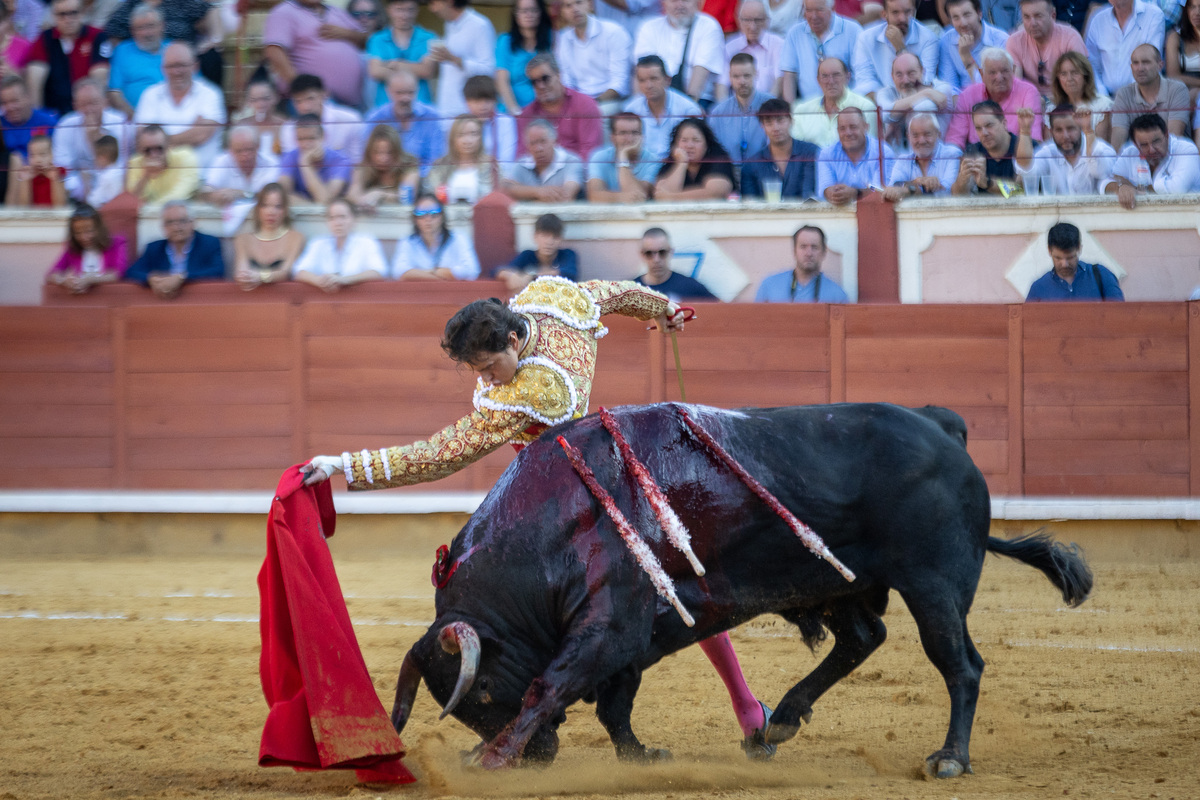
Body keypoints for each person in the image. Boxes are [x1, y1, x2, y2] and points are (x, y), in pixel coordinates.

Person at [132, 42, 226, 167]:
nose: (177, 71)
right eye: (171, 66)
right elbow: (142, 139)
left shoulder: (210, 94)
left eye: (182, 65)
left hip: (203, 177)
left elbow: (201, 134)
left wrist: (158, 142)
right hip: (159, 176)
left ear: (195, 66)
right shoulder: (150, 95)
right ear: (163, 69)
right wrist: (190, 133)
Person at [262, 0, 366, 110]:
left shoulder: (336, 11)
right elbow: (274, 52)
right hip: (311, 102)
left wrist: (347, 34)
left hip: (351, 103)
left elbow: (367, 39)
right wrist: (302, 89)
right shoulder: (284, 12)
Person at [105, 0, 221, 87]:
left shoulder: (181, 3)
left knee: (211, 57)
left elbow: (211, 10)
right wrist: (129, 53)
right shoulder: (131, 6)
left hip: (183, 57)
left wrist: (213, 40)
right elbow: (113, 28)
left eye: (150, 26)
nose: (146, 30)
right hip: (144, 56)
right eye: (141, 27)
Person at [53, 76, 133, 201]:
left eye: (94, 103)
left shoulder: (120, 123)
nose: (89, 110)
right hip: (78, 188)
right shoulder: (65, 125)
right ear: (75, 105)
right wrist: (83, 186)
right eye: (84, 104)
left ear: (105, 102)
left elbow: (119, 167)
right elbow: (63, 168)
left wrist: (94, 138)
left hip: (112, 185)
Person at [633, 0, 727, 105]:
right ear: (664, 3)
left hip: (696, 101)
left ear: (698, 3)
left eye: (685, 1)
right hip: (654, 102)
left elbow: (699, 78)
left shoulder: (708, 25)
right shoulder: (649, 27)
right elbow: (641, 71)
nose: (679, 5)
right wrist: (640, 108)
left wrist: (687, 111)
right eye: (674, 1)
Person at [945, 48, 1043, 148]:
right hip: (978, 159)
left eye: (1004, 71)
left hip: (1016, 157)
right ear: (982, 74)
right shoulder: (967, 96)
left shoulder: (1028, 92)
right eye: (992, 73)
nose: (999, 78)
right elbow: (955, 139)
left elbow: (1033, 139)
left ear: (1013, 70)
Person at [126, 201, 225, 299]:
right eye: (170, 222)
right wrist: (151, 279)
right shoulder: (154, 247)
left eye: (182, 221)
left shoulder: (209, 243)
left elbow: (218, 271)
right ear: (163, 227)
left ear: (193, 223)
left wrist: (182, 277)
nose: (176, 227)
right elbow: (132, 272)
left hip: (200, 301)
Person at [26, 0, 110, 117]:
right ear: (53, 16)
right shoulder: (44, 38)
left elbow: (100, 76)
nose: (68, 19)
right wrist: (39, 115)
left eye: (73, 13)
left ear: (83, 12)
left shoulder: (97, 36)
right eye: (62, 14)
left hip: (87, 110)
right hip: (54, 111)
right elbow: (35, 76)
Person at [517, 54, 604, 161]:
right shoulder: (527, 114)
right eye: (534, 82)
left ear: (558, 75)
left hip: (577, 173)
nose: (541, 86)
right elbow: (522, 155)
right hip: (540, 175)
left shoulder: (584, 105)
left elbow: (589, 152)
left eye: (545, 78)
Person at [1103, 112, 1200, 207]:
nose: (1152, 150)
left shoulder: (1186, 149)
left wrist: (1135, 188)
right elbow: (1104, 182)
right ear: (1135, 144)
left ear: (1167, 135)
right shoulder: (1130, 152)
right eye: (1144, 145)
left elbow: (1177, 189)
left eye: (1156, 141)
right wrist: (1121, 187)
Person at [1015, 103, 1116, 193]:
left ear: (1080, 128)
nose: (1065, 136)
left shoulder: (1104, 149)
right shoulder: (1048, 152)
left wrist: (1088, 131)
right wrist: (1024, 132)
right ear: (1051, 132)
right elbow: (1027, 171)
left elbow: (1100, 171)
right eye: (1059, 130)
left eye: (1070, 128)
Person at [293, 198, 388, 292]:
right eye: (332, 218)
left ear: (354, 219)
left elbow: (379, 272)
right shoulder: (318, 243)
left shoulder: (366, 242)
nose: (338, 223)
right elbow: (299, 271)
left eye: (343, 217)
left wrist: (345, 280)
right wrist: (319, 281)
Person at [1110, 44, 1191, 150]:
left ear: (1160, 65)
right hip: (1138, 156)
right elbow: (1118, 137)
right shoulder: (1123, 94)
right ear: (1131, 67)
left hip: (1173, 156)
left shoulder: (1177, 89)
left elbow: (1173, 137)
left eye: (1146, 62)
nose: (1140, 68)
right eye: (1135, 63)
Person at [851, 0, 939, 98]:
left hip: (916, 104)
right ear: (884, 14)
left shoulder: (928, 38)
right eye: (895, 12)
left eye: (907, 12)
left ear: (914, 12)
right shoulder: (866, 38)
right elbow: (865, 84)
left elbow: (925, 83)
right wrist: (890, 104)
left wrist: (901, 49)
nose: (902, 18)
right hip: (879, 104)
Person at [623, 55, 704, 161]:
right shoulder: (631, 109)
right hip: (642, 167)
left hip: (677, 166)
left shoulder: (688, 109)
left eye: (653, 79)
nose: (648, 85)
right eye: (642, 80)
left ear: (667, 80)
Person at [427, 0, 497, 122]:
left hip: (468, 112)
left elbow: (488, 70)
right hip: (446, 108)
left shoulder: (480, 25)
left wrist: (454, 59)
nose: (432, 9)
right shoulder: (449, 25)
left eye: (434, 3)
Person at [782, 0, 864, 103]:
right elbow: (789, 75)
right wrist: (790, 110)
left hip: (846, 106)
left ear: (832, 9)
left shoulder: (853, 30)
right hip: (808, 108)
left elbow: (862, 73)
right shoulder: (795, 33)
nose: (813, 16)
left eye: (819, 10)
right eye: (808, 10)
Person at [364, 70, 445, 173]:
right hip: (384, 179)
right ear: (388, 91)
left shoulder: (432, 117)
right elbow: (368, 158)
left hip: (424, 181)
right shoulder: (375, 119)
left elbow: (436, 159)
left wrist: (415, 177)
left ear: (417, 90)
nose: (405, 98)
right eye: (399, 93)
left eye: (410, 92)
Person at [554, 0, 633, 105]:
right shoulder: (563, 38)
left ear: (590, 4)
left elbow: (619, 84)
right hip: (578, 102)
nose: (574, 9)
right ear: (562, 12)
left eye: (579, 2)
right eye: (568, 6)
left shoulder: (613, 32)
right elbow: (566, 81)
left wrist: (591, 104)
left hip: (611, 102)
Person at [1005, 0, 1087, 100]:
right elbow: (1015, 86)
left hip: (1066, 101)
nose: (1032, 23)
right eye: (1026, 17)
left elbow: (1079, 83)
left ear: (1053, 15)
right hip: (1029, 102)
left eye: (1038, 16)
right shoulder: (1014, 41)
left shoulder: (1071, 38)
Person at [741, 97, 821, 199]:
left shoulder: (811, 153)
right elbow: (749, 205)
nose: (776, 128)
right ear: (762, 126)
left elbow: (809, 196)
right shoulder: (751, 165)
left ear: (791, 120)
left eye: (780, 120)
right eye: (769, 123)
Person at [790, 56, 876, 148]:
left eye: (836, 75)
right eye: (825, 76)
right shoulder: (802, 110)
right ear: (818, 80)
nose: (830, 81)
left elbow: (869, 149)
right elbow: (796, 151)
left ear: (848, 77)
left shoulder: (865, 107)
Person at [1084, 0, 1166, 97]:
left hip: (1143, 99)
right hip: (1105, 100)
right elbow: (1091, 63)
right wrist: (1103, 97)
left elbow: (1150, 63)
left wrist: (1124, 101)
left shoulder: (1153, 15)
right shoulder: (1097, 19)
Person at [233, 183, 306, 291]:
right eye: (265, 205)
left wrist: (260, 277)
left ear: (285, 210)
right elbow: (240, 272)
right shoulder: (243, 239)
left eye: (278, 206)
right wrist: (245, 278)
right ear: (257, 209)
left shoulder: (296, 238)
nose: (271, 212)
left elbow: (286, 272)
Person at [1026, 221, 1124, 301]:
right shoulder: (1038, 288)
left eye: (1070, 257)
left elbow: (1120, 316)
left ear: (1079, 248)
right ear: (1049, 250)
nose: (1064, 264)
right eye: (1058, 258)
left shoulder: (1102, 276)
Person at [391, 193, 480, 280]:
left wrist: (424, 273)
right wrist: (439, 275)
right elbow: (398, 271)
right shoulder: (407, 241)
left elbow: (471, 270)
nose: (428, 219)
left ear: (442, 216)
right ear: (414, 218)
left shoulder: (458, 239)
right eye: (421, 213)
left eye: (434, 213)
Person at [817, 106, 895, 203]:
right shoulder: (826, 154)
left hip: (874, 212)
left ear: (866, 127)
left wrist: (855, 193)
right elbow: (825, 190)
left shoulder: (884, 152)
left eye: (853, 127)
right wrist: (833, 193)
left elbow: (882, 192)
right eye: (842, 128)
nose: (848, 133)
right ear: (837, 131)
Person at [366, 0, 436, 108]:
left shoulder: (429, 37)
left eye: (410, 10)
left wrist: (395, 64)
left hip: (420, 108)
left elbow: (427, 71)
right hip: (386, 108)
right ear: (388, 10)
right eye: (399, 10)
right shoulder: (377, 39)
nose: (404, 15)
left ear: (417, 11)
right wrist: (415, 68)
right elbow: (375, 72)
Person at [708, 53, 774, 166]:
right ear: (729, 77)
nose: (742, 81)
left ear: (756, 74)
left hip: (763, 171)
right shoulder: (718, 112)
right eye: (736, 76)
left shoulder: (772, 106)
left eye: (747, 75)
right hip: (729, 173)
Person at [876, 52, 951, 150]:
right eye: (899, 75)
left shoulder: (941, 87)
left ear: (922, 71)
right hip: (899, 160)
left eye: (911, 73)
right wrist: (925, 93)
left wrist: (897, 111)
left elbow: (923, 108)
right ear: (892, 76)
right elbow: (885, 114)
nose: (906, 80)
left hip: (937, 156)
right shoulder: (886, 92)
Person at [45, 203, 127, 293]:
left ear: (99, 228)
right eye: (78, 233)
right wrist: (64, 281)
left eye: (89, 231)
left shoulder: (116, 244)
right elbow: (51, 274)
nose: (83, 237)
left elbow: (118, 273)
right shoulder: (72, 249)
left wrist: (90, 280)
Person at [755, 225, 849, 302]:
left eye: (814, 247)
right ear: (794, 251)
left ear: (824, 252)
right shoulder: (769, 286)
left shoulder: (837, 295)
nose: (808, 253)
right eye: (803, 246)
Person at [280, 74, 364, 159]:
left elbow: (357, 160)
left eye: (310, 99)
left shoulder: (350, 120)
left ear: (324, 94)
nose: (305, 107)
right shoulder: (289, 128)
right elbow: (291, 164)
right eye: (298, 102)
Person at [952, 99, 1025, 195]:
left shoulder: (1023, 147)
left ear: (1004, 124)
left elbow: (1021, 190)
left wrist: (988, 183)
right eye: (978, 128)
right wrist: (962, 181)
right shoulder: (973, 151)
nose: (984, 133)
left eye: (989, 125)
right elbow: (957, 196)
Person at [501, 118, 585, 201]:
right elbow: (505, 188)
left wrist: (525, 193)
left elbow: (566, 194)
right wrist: (537, 192)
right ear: (527, 146)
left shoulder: (571, 161)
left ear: (554, 141)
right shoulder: (521, 164)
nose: (538, 148)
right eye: (533, 143)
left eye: (543, 141)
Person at [105, 2, 166, 116]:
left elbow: (195, 84)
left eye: (150, 26)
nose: (146, 33)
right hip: (135, 118)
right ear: (132, 31)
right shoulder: (122, 51)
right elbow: (114, 92)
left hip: (175, 117)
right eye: (140, 28)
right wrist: (137, 118)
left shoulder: (175, 49)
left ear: (162, 26)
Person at [655, 116, 736, 201]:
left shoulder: (717, 158)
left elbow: (715, 192)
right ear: (675, 145)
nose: (689, 146)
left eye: (696, 140)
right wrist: (681, 163)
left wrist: (672, 197)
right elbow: (660, 194)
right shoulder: (671, 162)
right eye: (684, 140)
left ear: (706, 145)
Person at [279, 114, 354, 205]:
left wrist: (305, 163)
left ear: (323, 137)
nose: (306, 144)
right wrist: (312, 207)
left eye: (311, 138)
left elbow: (325, 201)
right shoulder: (290, 157)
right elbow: (281, 195)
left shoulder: (340, 161)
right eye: (301, 139)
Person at [883, 112, 961, 199]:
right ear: (908, 137)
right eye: (915, 135)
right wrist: (916, 182)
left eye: (927, 134)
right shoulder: (903, 160)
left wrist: (910, 189)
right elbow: (894, 187)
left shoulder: (953, 155)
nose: (921, 141)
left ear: (938, 135)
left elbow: (948, 191)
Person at [199, 126, 282, 207]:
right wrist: (214, 195)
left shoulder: (271, 163)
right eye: (239, 151)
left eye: (249, 149)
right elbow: (209, 187)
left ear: (258, 147)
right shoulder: (221, 161)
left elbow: (270, 195)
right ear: (230, 150)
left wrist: (240, 194)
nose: (245, 155)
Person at [586, 111, 660, 202]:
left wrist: (623, 157)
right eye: (623, 133)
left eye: (635, 133)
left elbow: (641, 196)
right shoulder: (599, 157)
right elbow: (594, 196)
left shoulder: (653, 160)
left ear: (642, 136)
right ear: (612, 138)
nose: (629, 139)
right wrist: (622, 197)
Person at [938, 0, 1009, 93]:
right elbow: (949, 86)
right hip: (961, 102)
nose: (963, 23)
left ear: (979, 14)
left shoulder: (1000, 40)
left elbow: (991, 89)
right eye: (956, 18)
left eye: (967, 15)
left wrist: (966, 56)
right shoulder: (946, 41)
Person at [425, 113, 497, 205]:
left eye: (473, 134)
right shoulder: (439, 166)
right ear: (452, 138)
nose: (468, 140)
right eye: (461, 135)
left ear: (481, 137)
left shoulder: (491, 166)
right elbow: (429, 198)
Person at [497, 0, 554, 114]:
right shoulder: (505, 41)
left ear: (540, 13)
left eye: (533, 10)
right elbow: (501, 80)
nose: (529, 15)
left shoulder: (552, 37)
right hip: (512, 111)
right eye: (523, 11)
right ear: (516, 14)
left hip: (548, 112)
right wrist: (515, 111)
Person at [496, 212, 577, 292]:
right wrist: (511, 275)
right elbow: (499, 270)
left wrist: (532, 276)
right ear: (535, 236)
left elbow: (570, 273)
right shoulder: (528, 255)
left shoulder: (567, 254)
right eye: (544, 236)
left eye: (555, 237)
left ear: (561, 239)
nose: (549, 242)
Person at [347, 122, 420, 211]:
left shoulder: (410, 165)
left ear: (397, 151)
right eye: (378, 152)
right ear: (369, 152)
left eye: (389, 152)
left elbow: (406, 197)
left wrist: (380, 194)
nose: (383, 158)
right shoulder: (363, 167)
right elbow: (352, 195)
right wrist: (364, 201)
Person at [634, 226, 717, 299]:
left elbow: (721, 308)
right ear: (642, 254)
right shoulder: (632, 291)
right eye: (649, 253)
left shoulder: (690, 286)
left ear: (670, 251)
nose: (656, 260)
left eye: (662, 252)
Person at [125, 123, 200, 203]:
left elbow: (180, 194)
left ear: (169, 145)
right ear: (140, 150)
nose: (154, 155)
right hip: (148, 212)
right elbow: (131, 198)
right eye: (148, 150)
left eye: (159, 149)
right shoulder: (135, 163)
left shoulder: (185, 158)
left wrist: (152, 208)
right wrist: (146, 175)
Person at [723, 0, 785, 97]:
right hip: (737, 108)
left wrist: (766, 109)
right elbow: (722, 85)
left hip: (768, 107)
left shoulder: (778, 44)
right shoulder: (730, 47)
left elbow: (779, 81)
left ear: (767, 21)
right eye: (747, 20)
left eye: (758, 20)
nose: (752, 26)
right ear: (738, 20)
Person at [1051, 50, 1113, 142]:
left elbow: (1100, 148)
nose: (1069, 79)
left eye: (1075, 73)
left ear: (1086, 76)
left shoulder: (1103, 105)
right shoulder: (1051, 107)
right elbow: (1049, 148)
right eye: (1063, 74)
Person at [463, 75, 518, 169]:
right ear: (467, 102)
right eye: (477, 101)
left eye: (487, 100)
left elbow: (507, 160)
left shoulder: (506, 122)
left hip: (499, 176)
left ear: (495, 100)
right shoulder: (460, 125)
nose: (483, 106)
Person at [0, 75, 57, 159]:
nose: (10, 107)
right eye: (5, 103)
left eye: (14, 101)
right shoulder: (1, 125)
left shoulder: (49, 123)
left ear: (27, 98)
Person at [232, 78, 287, 159]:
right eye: (254, 100)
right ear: (248, 102)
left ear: (275, 98)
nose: (260, 104)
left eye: (265, 99)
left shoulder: (285, 125)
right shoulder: (242, 126)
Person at [5, 133, 66, 206]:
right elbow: (23, 206)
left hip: (54, 216)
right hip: (32, 216)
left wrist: (54, 179)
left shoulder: (59, 171)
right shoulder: (27, 174)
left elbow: (60, 205)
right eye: (32, 155)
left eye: (42, 154)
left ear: (52, 155)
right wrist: (25, 181)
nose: (37, 160)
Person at [1165, 0, 1200, 103]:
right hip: (1184, 94)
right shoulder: (1175, 37)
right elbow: (1173, 76)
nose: (1197, 12)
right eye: (1192, 7)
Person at [82, 133, 122, 206]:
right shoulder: (119, 171)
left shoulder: (106, 176)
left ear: (103, 157)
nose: (95, 159)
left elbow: (92, 201)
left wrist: (86, 182)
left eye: (96, 155)